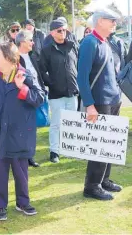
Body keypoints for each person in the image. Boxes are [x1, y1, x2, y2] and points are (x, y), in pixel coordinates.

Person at [0, 42, 44, 221]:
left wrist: (22, 88)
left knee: (21, 172)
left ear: (9, 59)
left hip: (20, 134)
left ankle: (22, 202)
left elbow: (39, 98)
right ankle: (0, 205)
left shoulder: (25, 75)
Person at [77, 9, 123, 200]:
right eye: (111, 20)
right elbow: (82, 76)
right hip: (99, 102)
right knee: (99, 145)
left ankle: (104, 179)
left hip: (112, 100)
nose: (114, 23)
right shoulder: (89, 42)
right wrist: (89, 104)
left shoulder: (105, 42)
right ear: (100, 21)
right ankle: (92, 185)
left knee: (110, 144)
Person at [39, 19, 79, 163]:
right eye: (59, 30)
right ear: (52, 33)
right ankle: (54, 151)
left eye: (64, 30)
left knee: (72, 123)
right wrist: (52, 84)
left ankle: (70, 149)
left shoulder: (73, 46)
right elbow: (42, 72)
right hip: (56, 94)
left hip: (72, 92)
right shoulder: (46, 50)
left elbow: (78, 66)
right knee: (56, 124)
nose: (62, 33)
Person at [15, 30, 46, 168]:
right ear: (22, 42)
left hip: (35, 95)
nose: (33, 42)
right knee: (22, 128)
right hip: (23, 97)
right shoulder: (14, 58)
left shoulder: (33, 56)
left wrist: (43, 89)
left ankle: (29, 156)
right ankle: (22, 156)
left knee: (32, 128)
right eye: (30, 40)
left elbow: (38, 76)